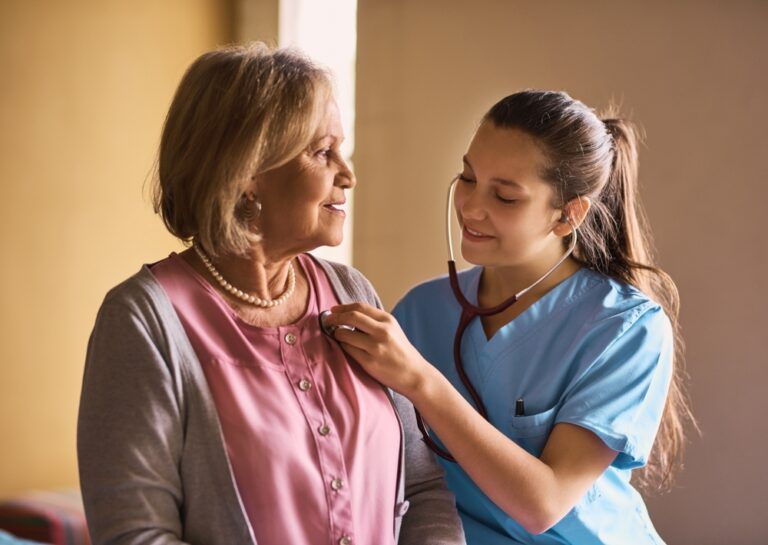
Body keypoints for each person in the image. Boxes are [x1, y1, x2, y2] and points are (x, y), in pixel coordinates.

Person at [77, 42, 465, 545]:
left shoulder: (352, 291)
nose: (347, 175)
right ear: (248, 173)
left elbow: (422, 486)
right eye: (322, 152)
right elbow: (136, 534)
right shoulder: (144, 320)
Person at [322, 90, 695, 544]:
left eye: (504, 197)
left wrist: (422, 381)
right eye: (467, 177)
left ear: (567, 216)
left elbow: (544, 504)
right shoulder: (421, 312)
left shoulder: (625, 327)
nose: (471, 207)